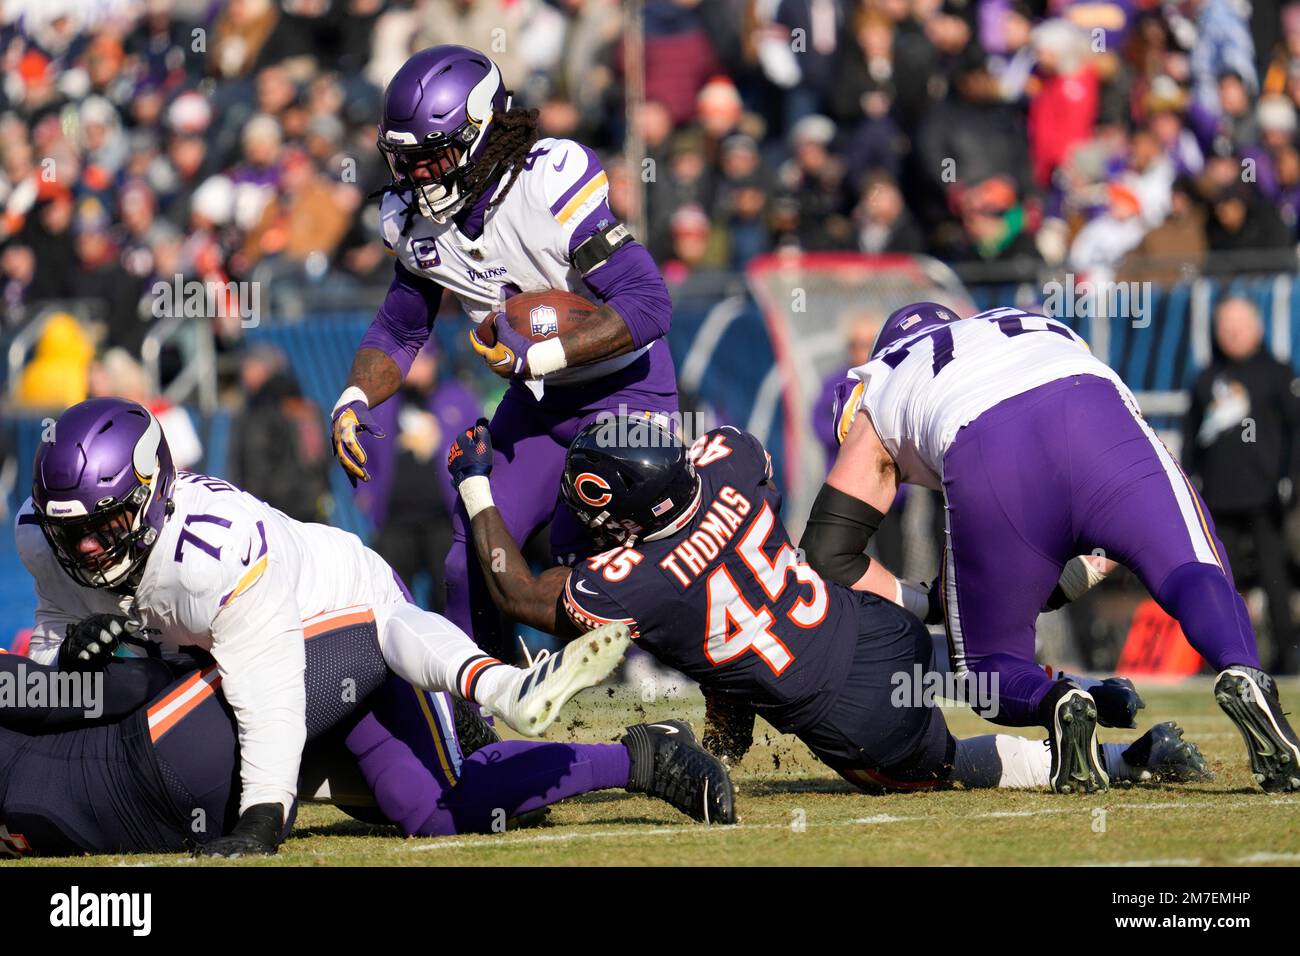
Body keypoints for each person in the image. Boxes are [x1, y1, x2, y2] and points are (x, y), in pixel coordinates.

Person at [444, 415, 1210, 795]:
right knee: (956, 667)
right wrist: (728, 741)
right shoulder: (730, 462)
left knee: (945, 766)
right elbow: (721, 643)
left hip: (846, 710)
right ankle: (1073, 694)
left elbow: (514, 588)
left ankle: (1127, 759)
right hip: (876, 629)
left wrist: (476, 483)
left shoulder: (637, 581)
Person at [19, 397, 632, 854]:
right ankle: (472, 720)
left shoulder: (213, 553)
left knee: (442, 810)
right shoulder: (45, 539)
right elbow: (63, 654)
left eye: (105, 524)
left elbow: (271, 692)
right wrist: (70, 666)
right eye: (71, 532)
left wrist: (263, 819)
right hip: (244, 666)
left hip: (344, 624)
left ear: (153, 494)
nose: (90, 548)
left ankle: (603, 739)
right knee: (410, 798)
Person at [805, 302, 1300, 793]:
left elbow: (828, 553)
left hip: (987, 448)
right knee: (1193, 568)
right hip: (1097, 410)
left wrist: (926, 602)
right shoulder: (1024, 320)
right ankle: (1242, 668)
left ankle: (1055, 701)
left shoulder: (883, 379)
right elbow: (1077, 479)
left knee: (988, 670)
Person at [328, 45, 676, 662]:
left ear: (481, 134)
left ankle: (721, 665)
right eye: (407, 162)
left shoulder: (548, 179)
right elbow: (401, 328)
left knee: (604, 554)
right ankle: (482, 714)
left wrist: (538, 357)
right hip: (539, 401)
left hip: (625, 387)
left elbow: (648, 304)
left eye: (434, 157)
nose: (421, 178)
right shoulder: (411, 221)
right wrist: (355, 398)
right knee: (470, 558)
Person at [0, 632, 733, 857]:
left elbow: (97, 695)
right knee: (440, 811)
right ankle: (635, 753)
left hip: (187, 728)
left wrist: (85, 670)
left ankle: (638, 752)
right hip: (196, 792)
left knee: (440, 797)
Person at [1182, 297, 1300, 673]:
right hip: (1217, 500)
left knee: (1274, 578)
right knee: (1216, 583)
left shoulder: (1279, 374)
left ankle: (1288, 654)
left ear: (1258, 327)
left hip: (1266, 499)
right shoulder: (1205, 378)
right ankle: (1218, 657)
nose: (1232, 332)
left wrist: (1290, 481)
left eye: (1240, 324)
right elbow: (1190, 440)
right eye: (1225, 325)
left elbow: (1296, 433)